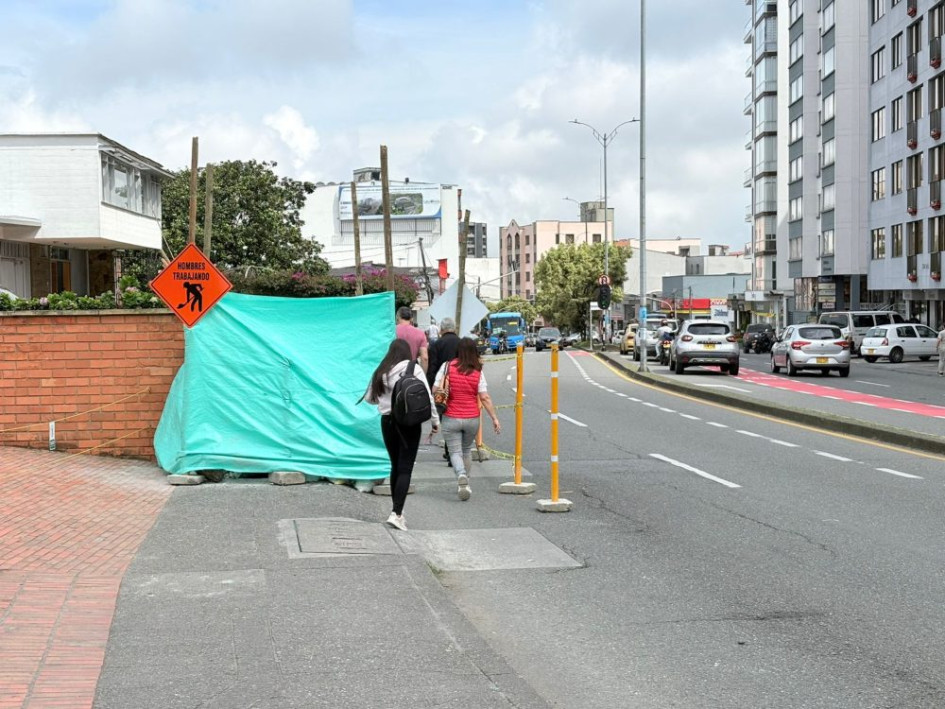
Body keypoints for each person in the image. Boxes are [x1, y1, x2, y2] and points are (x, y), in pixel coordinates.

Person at [364, 339, 439, 531]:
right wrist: (434, 421)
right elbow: (427, 397)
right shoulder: (412, 368)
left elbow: (370, 399)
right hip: (408, 423)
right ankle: (396, 513)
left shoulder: (381, 371)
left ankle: (396, 511)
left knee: (396, 465)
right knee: (405, 467)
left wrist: (387, 399)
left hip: (387, 422)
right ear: (407, 352)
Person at [433, 337, 501, 501]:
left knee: (455, 452)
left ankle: (461, 475)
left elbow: (436, 388)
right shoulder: (478, 371)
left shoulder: (447, 366)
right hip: (472, 418)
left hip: (451, 416)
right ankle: (466, 482)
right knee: (466, 451)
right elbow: (484, 397)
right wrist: (494, 418)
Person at [427, 317, 461, 465]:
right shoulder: (462, 343)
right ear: (454, 328)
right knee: (460, 416)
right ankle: (457, 452)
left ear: (441, 329)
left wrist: (430, 388)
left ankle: (449, 452)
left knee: (446, 418)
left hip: (442, 386)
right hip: (461, 384)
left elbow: (432, 367)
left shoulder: (436, 345)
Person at [395, 306, 429, 373]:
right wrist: (423, 375)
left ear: (398, 317)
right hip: (411, 370)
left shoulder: (391, 332)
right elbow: (424, 358)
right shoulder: (420, 333)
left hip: (394, 370)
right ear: (411, 319)